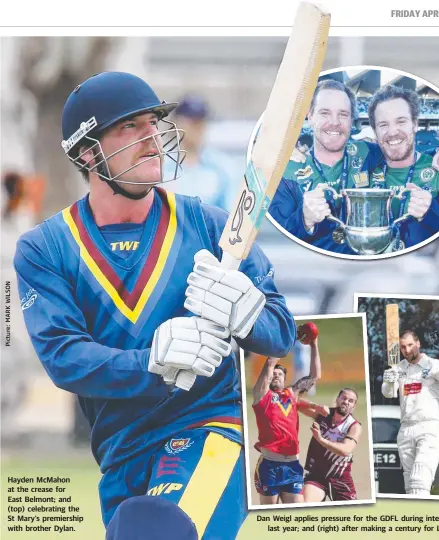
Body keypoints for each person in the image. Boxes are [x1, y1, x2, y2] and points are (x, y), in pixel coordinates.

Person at [13, 71, 296, 539]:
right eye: (130, 127)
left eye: (153, 123)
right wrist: (153, 362)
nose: (152, 138)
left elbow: (280, 328)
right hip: (121, 450)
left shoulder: (210, 224)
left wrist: (250, 316)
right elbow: (64, 358)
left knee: (157, 529)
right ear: (89, 152)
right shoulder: (45, 248)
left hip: (210, 428)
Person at [268, 80, 439, 254]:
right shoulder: (287, 174)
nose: (334, 122)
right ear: (310, 116)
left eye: (343, 114)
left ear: (352, 120)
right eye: (324, 113)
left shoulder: (367, 153)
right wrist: (305, 219)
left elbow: (400, 150)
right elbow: (275, 244)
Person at [368, 85, 439, 249]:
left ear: (415, 124)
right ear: (375, 131)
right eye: (383, 124)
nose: (392, 132)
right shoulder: (365, 168)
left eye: (401, 121)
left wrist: (431, 212)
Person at [382, 327, 439, 496]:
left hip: (429, 427)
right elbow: (389, 394)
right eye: (403, 347)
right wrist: (389, 382)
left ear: (418, 343)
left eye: (410, 345)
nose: (407, 350)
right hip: (405, 430)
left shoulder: (431, 364)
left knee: (419, 482)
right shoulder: (397, 368)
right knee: (410, 487)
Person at [252, 332, 321, 504]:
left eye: (280, 374)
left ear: (285, 379)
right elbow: (269, 363)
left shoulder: (292, 393)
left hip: (292, 465)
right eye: (273, 374)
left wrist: (313, 344)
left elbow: (314, 376)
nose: (276, 376)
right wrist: (288, 336)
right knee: (270, 518)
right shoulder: (262, 395)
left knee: (296, 516)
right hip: (270, 466)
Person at [163, 95, 236, 210]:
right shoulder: (160, 163)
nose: (198, 127)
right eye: (192, 122)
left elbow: (230, 213)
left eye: (202, 121)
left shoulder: (221, 166)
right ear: (176, 122)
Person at [298, 388, 361, 502]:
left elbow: (345, 450)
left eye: (351, 401)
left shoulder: (354, 426)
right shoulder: (323, 414)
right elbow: (297, 404)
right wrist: (315, 405)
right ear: (337, 399)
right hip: (317, 476)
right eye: (344, 398)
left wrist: (321, 440)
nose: (346, 402)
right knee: (306, 505)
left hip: (340, 479)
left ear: (353, 406)